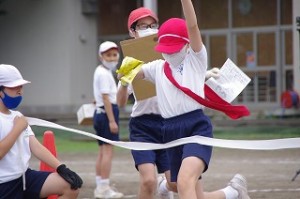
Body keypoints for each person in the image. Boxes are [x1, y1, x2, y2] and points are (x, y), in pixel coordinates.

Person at [118, 0, 251, 199]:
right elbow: (129, 77)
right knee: (183, 188)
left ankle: (230, 192)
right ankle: (232, 193)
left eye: (174, 46)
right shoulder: (157, 67)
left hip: (195, 127)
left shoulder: (195, 59)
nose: (170, 52)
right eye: (166, 47)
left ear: (187, 44)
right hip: (169, 131)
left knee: (184, 182)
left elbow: (192, 26)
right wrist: (125, 72)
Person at [117, 7, 176, 199]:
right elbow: (120, 102)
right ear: (132, 31)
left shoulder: (168, 55)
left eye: (152, 25)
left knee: (175, 183)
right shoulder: (130, 61)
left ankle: (164, 188)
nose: (149, 29)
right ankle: (156, 185)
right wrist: (125, 83)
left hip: (167, 124)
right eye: (143, 26)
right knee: (148, 180)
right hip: (143, 126)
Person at [0, 64, 83, 198]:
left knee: (70, 187)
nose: (20, 91)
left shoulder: (17, 116)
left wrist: (62, 168)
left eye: (21, 86)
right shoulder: (18, 122)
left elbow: (36, 147)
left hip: (24, 178)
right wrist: (17, 129)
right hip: (3, 185)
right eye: (13, 87)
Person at [93, 41, 124, 198]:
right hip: (107, 114)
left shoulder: (100, 72)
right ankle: (104, 188)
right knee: (107, 152)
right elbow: (106, 99)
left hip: (102, 113)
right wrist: (112, 121)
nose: (112, 58)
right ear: (101, 56)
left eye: (114, 55)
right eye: (108, 55)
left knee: (102, 151)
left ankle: (100, 186)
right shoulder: (104, 74)